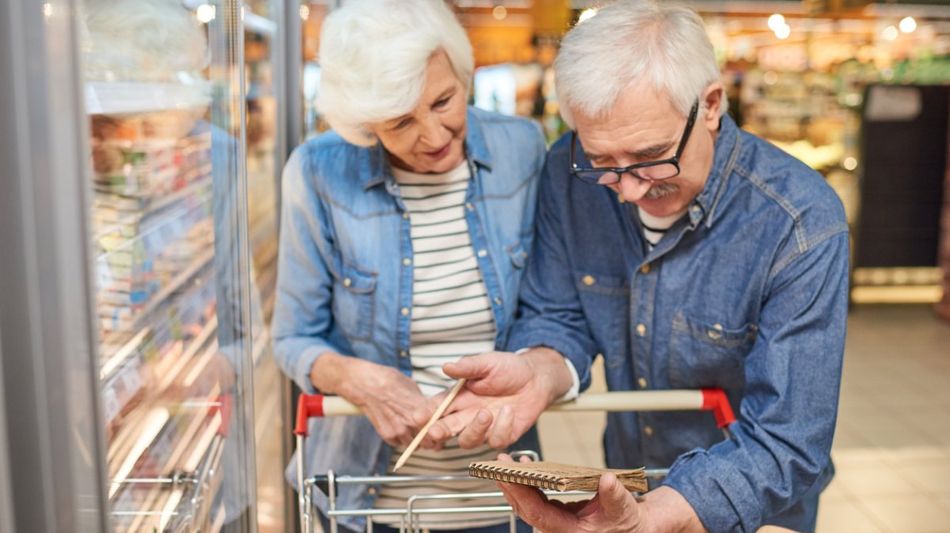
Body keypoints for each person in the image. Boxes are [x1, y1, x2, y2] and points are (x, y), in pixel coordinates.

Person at [416, 2, 850, 532]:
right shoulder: (565, 172)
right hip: (628, 487)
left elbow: (787, 437)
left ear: (710, 104)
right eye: (602, 162)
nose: (628, 189)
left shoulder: (799, 221)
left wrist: (661, 516)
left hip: (756, 512)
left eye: (652, 155)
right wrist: (538, 369)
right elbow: (560, 313)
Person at [270, 1, 547, 531]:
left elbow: (550, 309)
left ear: (462, 71)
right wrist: (356, 379)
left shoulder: (523, 148)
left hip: (504, 498)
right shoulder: (317, 173)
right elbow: (292, 338)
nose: (435, 135)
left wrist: (532, 370)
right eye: (400, 123)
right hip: (361, 497)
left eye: (444, 100)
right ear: (366, 126)